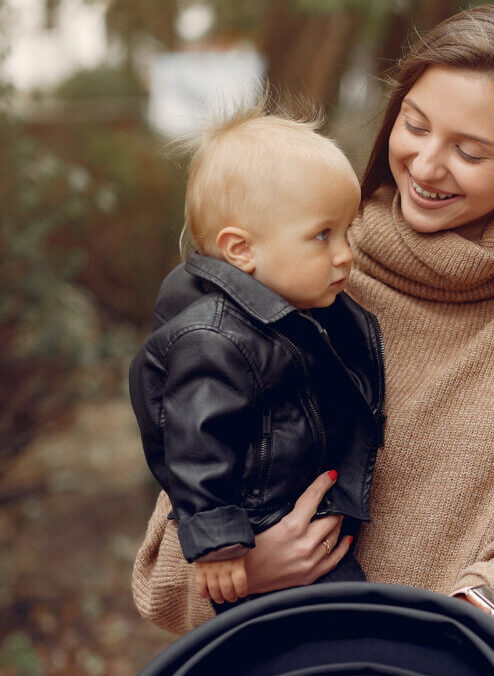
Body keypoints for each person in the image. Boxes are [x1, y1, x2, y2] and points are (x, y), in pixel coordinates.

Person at [131, 6, 494, 675]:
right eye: (414, 126)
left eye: (470, 151)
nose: (426, 163)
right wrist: (250, 565)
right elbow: (179, 529)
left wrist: (481, 612)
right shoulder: (307, 266)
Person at [128, 106, 383, 611]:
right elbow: (195, 444)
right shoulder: (215, 338)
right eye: (322, 236)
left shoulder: (296, 311)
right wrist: (220, 544)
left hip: (293, 524)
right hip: (258, 528)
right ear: (241, 251)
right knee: (352, 631)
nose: (346, 254)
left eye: (347, 232)